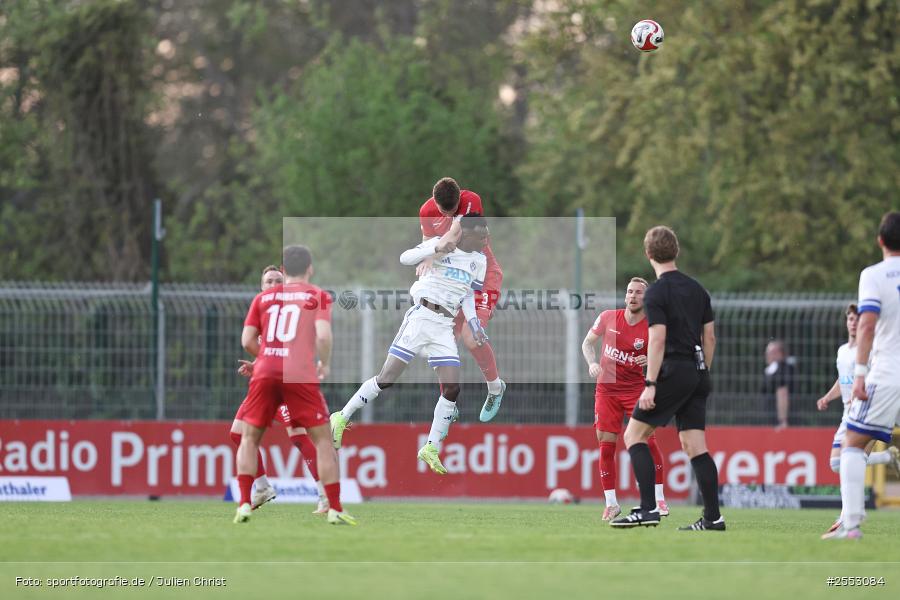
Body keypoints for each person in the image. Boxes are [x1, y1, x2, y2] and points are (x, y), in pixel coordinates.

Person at [331, 214, 490, 474]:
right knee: (387, 377)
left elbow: (469, 294)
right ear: (467, 234)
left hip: (444, 326)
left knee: (452, 388)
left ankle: (431, 447)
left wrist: (473, 323)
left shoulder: (479, 260)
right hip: (422, 317)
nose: (486, 241)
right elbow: (405, 258)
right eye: (481, 236)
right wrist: (435, 248)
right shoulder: (442, 245)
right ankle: (342, 416)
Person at [611, 226, 723, 531]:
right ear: (676, 252)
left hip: (672, 371)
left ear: (649, 254)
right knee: (694, 446)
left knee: (634, 436)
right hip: (698, 371)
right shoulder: (698, 289)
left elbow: (657, 340)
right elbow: (709, 337)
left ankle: (648, 509)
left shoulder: (658, 291)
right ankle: (713, 517)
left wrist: (650, 383)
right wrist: (703, 372)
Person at [234, 245, 356, 526]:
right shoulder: (317, 296)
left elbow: (247, 341)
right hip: (300, 374)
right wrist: (324, 364)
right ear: (310, 268)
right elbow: (323, 338)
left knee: (248, 438)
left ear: (284, 271)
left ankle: (243, 503)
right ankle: (334, 507)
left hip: (265, 372)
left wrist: (265, 358)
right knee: (323, 440)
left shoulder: (263, 298)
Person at [824, 211, 900, 540]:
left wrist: (859, 375)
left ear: (880, 240)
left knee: (851, 445)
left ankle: (851, 524)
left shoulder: (874, 275)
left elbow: (867, 325)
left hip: (888, 371)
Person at [230, 265, 329, 514]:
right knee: (237, 433)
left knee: (298, 436)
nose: (274, 285)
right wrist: (256, 366)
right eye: (269, 281)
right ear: (261, 287)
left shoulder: (291, 311)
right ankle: (262, 486)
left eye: (278, 280)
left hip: (288, 385)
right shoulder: (263, 310)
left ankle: (324, 494)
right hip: (266, 383)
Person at [417, 178, 506, 421]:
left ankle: (496, 388)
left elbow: (455, 237)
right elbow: (429, 244)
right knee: (442, 342)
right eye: (445, 211)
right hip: (455, 282)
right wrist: (428, 255)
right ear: (435, 203)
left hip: (481, 274)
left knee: (470, 336)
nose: (450, 213)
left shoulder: (471, 201)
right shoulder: (426, 211)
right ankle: (448, 403)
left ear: (460, 198)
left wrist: (430, 253)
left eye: (454, 209)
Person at [582, 277, 669, 521]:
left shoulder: (653, 326)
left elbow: (666, 359)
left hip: (636, 391)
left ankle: (659, 498)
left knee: (648, 442)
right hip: (607, 390)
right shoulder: (609, 316)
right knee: (606, 445)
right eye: (630, 292)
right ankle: (611, 503)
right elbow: (587, 343)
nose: (632, 296)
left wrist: (650, 362)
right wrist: (591, 363)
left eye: (638, 293)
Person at [816, 303, 900, 535]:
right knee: (837, 463)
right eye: (850, 318)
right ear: (846, 322)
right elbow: (843, 380)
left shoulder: (870, 350)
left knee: (850, 460)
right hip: (847, 414)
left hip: (867, 410)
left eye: (857, 319)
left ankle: (847, 520)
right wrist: (828, 397)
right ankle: (886, 456)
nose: (853, 322)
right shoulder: (843, 350)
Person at [763, 340, 794, 430]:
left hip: (786, 413)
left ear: (780, 353)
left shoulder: (784, 367)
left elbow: (782, 388)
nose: (767, 355)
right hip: (769, 412)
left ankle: (783, 422)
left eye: (770, 352)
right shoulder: (769, 369)